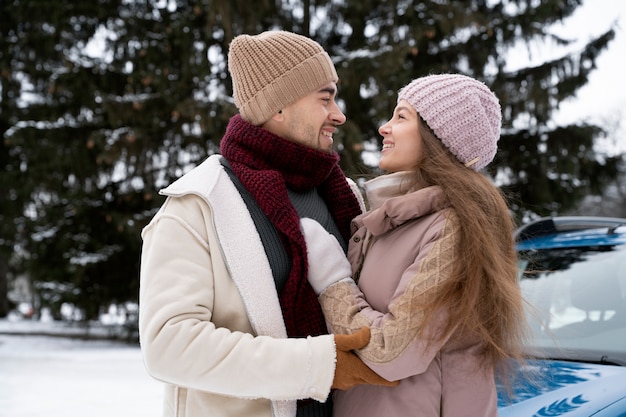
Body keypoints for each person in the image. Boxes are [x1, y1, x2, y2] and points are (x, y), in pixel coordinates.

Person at [138, 30, 396, 417]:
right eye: (325, 98)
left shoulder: (344, 196)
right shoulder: (197, 205)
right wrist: (316, 366)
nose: (339, 114)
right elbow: (169, 346)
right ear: (277, 106)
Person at [301, 73, 529, 416]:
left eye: (401, 116)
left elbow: (390, 352)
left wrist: (334, 283)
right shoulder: (395, 222)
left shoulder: (453, 229)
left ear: (438, 137)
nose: (384, 127)